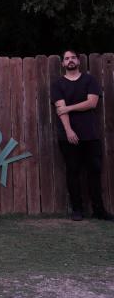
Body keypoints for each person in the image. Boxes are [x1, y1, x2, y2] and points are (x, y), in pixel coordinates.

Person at [50, 49, 113, 222]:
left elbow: (92, 103)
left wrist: (69, 108)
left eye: (73, 58)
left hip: (90, 135)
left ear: (78, 61)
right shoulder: (58, 85)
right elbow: (60, 110)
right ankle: (77, 210)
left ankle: (99, 210)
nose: (70, 61)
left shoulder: (89, 80)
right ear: (63, 63)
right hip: (68, 136)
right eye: (66, 59)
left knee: (95, 172)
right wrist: (69, 130)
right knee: (73, 172)